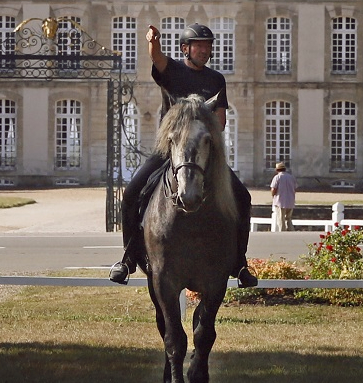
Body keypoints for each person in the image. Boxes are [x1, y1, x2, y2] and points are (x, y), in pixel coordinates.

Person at [108, 23, 257, 287]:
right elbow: (157, 58)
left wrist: (204, 127)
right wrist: (153, 41)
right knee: (131, 194)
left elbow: (220, 120)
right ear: (185, 49)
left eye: (207, 45)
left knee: (243, 198)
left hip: (202, 152)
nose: (204, 50)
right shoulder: (173, 71)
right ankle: (129, 257)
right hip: (169, 150)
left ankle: (240, 262)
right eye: (198, 45)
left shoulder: (215, 80)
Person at [269, 162, 297, 230]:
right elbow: (295, 188)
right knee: (289, 218)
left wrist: (273, 196)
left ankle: (282, 233)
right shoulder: (291, 177)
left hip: (280, 202)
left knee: (281, 220)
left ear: (277, 170)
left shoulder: (277, 177)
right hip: (290, 201)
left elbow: (273, 189)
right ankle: (291, 231)